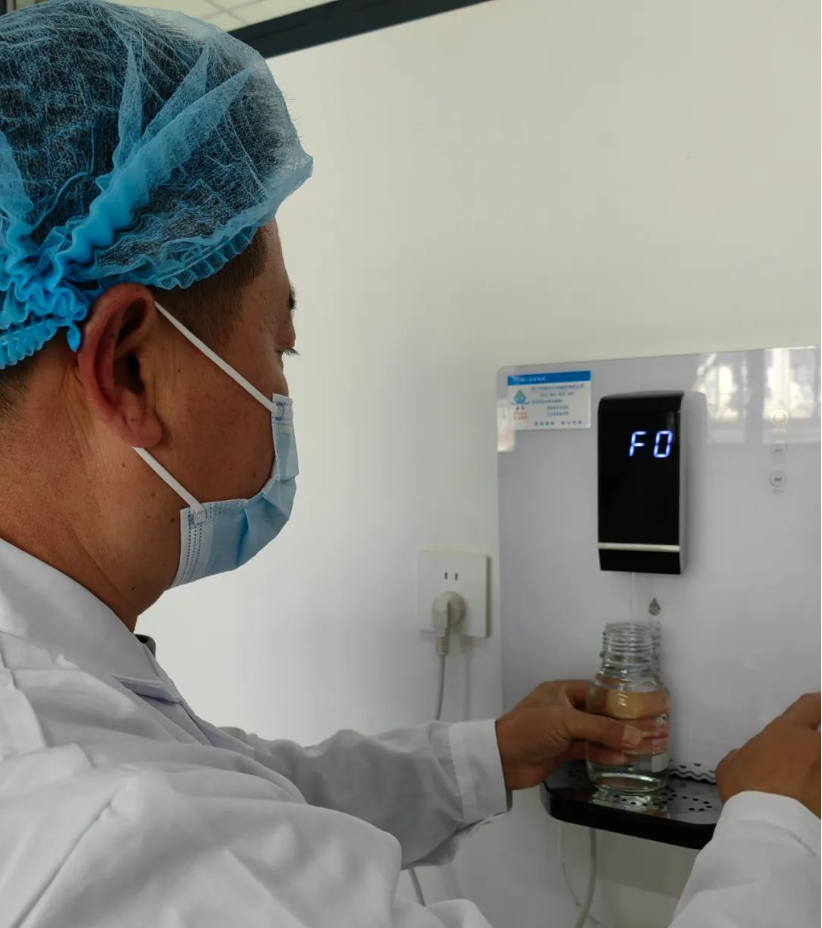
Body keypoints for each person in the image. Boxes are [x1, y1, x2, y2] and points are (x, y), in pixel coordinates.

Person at [0, 2, 817, 926]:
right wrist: (774, 823)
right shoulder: (102, 828)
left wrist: (491, 752)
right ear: (129, 369)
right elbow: (212, 842)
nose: (280, 389)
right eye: (280, 345)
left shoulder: (67, 707)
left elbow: (248, 790)